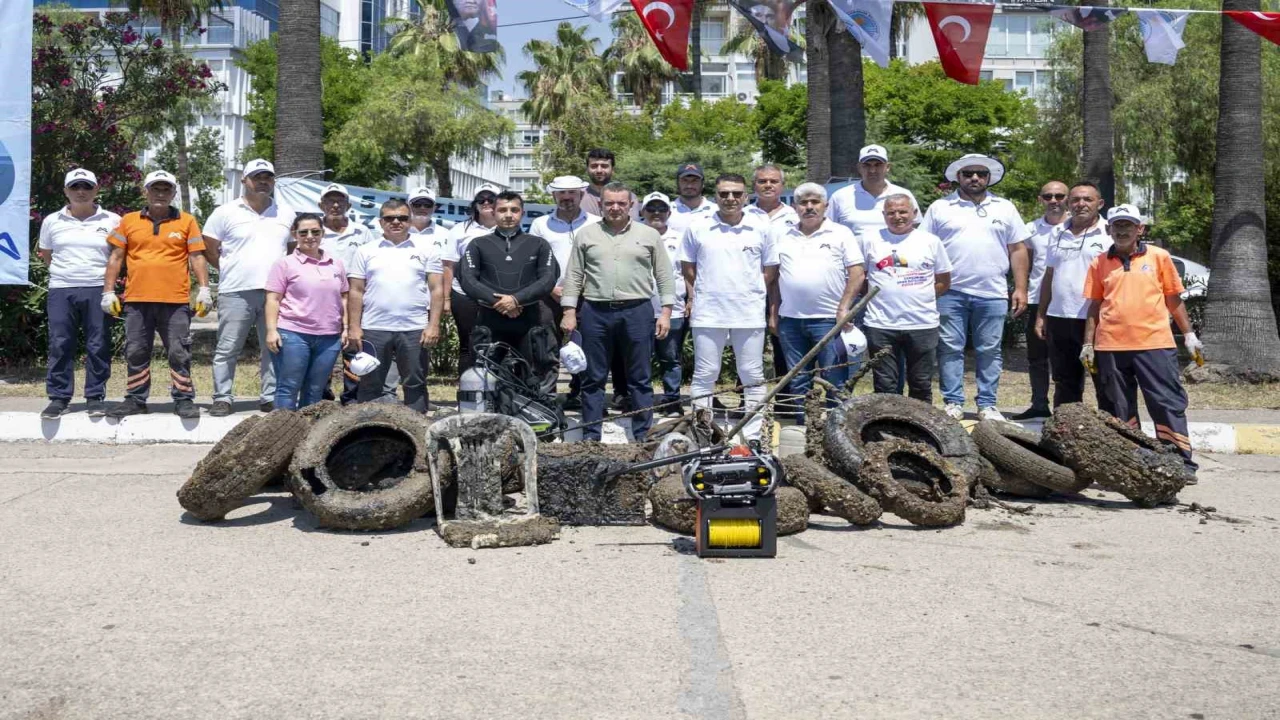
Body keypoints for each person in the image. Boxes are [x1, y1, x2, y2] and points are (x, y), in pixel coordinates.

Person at [1083, 204, 1199, 473]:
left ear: (1140, 229)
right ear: (1108, 229)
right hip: (1110, 346)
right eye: (1117, 225)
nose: (1122, 230)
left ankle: (1179, 462)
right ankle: (1130, 461)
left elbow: (1173, 298)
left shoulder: (1159, 257)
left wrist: (1190, 335)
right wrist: (1088, 344)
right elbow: (1094, 305)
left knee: (1166, 402)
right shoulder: (1098, 262)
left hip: (1155, 344)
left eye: (1128, 225)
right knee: (1118, 407)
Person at [561, 183, 675, 441]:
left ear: (631, 206)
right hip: (595, 311)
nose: (615, 208)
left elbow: (664, 276)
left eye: (621, 203)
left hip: (637, 311)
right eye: (609, 203)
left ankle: (643, 436)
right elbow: (574, 274)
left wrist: (666, 312)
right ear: (601, 204)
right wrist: (569, 311)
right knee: (592, 377)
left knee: (640, 378)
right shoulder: (586, 235)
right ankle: (591, 436)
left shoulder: (648, 235)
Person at [921, 153, 1031, 421]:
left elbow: (1018, 249)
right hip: (949, 292)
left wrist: (1020, 288)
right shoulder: (940, 207)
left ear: (988, 178)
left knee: (990, 350)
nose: (974, 178)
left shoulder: (1005, 207)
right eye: (968, 173)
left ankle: (987, 404)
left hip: (992, 293)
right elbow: (924, 249)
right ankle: (953, 402)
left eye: (980, 174)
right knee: (949, 348)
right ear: (958, 177)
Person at [102, 170, 212, 419]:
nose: (160, 194)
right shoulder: (129, 221)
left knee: (178, 351)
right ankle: (135, 399)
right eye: (155, 189)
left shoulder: (187, 221)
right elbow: (116, 257)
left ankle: (183, 399)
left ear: (173, 193)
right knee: (136, 350)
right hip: (137, 300)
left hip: (175, 301)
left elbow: (197, 256)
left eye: (166, 189)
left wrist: (204, 289)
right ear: (146, 191)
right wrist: (108, 292)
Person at [681, 174, 777, 441]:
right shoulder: (697, 226)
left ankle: (753, 435)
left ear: (746, 196)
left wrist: (748, 290)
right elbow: (688, 268)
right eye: (724, 194)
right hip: (708, 312)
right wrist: (710, 289)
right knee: (705, 373)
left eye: (736, 194)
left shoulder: (761, 227)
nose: (730, 199)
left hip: (748, 313)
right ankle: (702, 431)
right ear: (716, 196)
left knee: (752, 375)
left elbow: (769, 270)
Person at [765, 183, 864, 418]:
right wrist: (773, 313)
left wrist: (844, 308)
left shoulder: (841, 233)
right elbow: (774, 278)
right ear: (794, 207)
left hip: (830, 320)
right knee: (798, 379)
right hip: (791, 321)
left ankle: (837, 429)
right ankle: (803, 428)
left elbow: (857, 273)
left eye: (815, 202)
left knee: (834, 379)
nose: (809, 207)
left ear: (825, 206)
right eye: (803, 203)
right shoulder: (782, 235)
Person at [202, 158, 292, 416]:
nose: (263, 181)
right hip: (236, 291)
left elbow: (292, 250)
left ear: (273, 181)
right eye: (257, 177)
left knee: (273, 346)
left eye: (267, 177)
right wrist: (232, 269)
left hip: (275, 293)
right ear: (244, 180)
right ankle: (223, 397)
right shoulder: (224, 212)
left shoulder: (286, 213)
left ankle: (269, 396)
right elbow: (209, 248)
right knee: (228, 347)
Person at [37, 169, 121, 419]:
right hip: (62, 289)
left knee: (98, 344)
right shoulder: (52, 221)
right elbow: (47, 255)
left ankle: (95, 396)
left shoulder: (113, 220)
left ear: (96, 190)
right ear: (66, 191)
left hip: (98, 288)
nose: (81, 192)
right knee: (60, 343)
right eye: (75, 187)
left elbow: (118, 256)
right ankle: (59, 397)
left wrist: (109, 289)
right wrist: (67, 275)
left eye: (86, 186)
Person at [347, 199, 444, 413]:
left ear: (410, 220)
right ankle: (367, 430)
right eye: (390, 218)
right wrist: (354, 326)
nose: (396, 222)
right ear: (381, 222)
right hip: (374, 327)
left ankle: (417, 431)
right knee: (370, 383)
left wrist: (433, 325)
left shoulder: (427, 249)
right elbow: (355, 291)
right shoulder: (365, 250)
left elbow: (437, 289)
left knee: (415, 382)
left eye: (402, 217)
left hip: (414, 328)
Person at [459, 191, 559, 389]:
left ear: (522, 213)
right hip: (490, 321)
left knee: (536, 378)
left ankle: (537, 417)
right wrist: (500, 302)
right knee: (486, 380)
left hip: (530, 321)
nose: (508, 214)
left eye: (514, 210)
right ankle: (488, 419)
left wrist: (516, 300)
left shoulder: (538, 244)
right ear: (493, 213)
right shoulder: (478, 244)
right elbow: (468, 280)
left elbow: (548, 279)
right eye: (502, 210)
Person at [862, 195, 952, 402]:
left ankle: (920, 430)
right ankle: (887, 429)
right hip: (880, 324)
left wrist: (921, 297)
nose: (897, 217)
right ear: (884, 215)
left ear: (913, 213)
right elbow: (859, 276)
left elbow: (944, 281)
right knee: (885, 384)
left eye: (902, 211)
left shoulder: (930, 241)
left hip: (922, 323)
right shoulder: (869, 240)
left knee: (920, 383)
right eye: (891, 212)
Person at [1035, 181, 1112, 412]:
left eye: (1087, 199)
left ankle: (1112, 433)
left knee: (1105, 380)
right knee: (1065, 381)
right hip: (1059, 316)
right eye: (1076, 199)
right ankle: (1066, 432)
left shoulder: (1110, 233)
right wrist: (1041, 314)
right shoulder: (1057, 232)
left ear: (1100, 204)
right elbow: (1049, 275)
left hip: (1095, 319)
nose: (1081, 204)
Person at [265, 214, 349, 410]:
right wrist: (271, 330)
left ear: (323, 233)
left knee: (315, 389)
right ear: (295, 234)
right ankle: (282, 435)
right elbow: (272, 299)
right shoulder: (284, 264)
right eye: (303, 232)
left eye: (315, 231)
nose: (309, 236)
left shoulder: (336, 263)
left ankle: (307, 435)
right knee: (288, 387)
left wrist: (345, 328)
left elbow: (344, 296)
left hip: (329, 337)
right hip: (293, 333)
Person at [1011, 180, 1068, 420]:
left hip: (1070, 304)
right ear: (1040, 199)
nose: (1053, 200)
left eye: (1059, 196)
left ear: (1067, 198)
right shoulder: (1030, 229)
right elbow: (1026, 263)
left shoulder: (1078, 226)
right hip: (1037, 300)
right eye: (1048, 196)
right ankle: (1039, 404)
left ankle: (1066, 408)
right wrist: (1020, 289)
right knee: (1037, 357)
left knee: (1066, 358)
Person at [318, 182, 378, 405]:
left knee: (353, 347)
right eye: (330, 201)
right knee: (323, 349)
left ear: (349, 204)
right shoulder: (316, 231)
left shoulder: (362, 232)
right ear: (320, 204)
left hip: (354, 298)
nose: (335, 205)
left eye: (340, 200)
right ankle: (322, 397)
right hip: (322, 300)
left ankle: (351, 397)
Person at [441, 184, 500, 374]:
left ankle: (496, 393)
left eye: (490, 199)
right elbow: (449, 265)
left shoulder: (507, 228)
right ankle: (468, 393)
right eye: (481, 199)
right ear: (474, 204)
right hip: (464, 295)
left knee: (498, 343)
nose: (485, 203)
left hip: (498, 295)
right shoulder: (459, 229)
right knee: (468, 342)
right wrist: (447, 298)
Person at [641, 192, 688, 418]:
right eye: (651, 209)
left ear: (669, 212)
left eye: (661, 209)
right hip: (639, 309)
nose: (656, 214)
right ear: (643, 212)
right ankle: (642, 400)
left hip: (673, 309)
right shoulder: (634, 235)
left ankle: (671, 400)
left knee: (670, 359)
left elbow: (689, 273)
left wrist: (692, 300)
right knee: (639, 359)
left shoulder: (681, 238)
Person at [826, 145, 920, 246]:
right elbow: (827, 230)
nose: (872, 170)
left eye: (878, 165)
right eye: (867, 165)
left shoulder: (904, 195)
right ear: (859, 168)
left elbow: (915, 227)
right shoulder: (840, 196)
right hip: (854, 260)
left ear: (887, 167)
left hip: (895, 258)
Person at [578, 148, 640, 220]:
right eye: (594, 166)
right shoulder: (578, 196)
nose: (599, 170)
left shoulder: (629, 197)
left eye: (604, 166)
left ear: (613, 170)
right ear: (587, 169)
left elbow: (632, 227)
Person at [667, 163, 719, 238]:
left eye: (695, 181)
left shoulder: (716, 210)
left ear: (703, 183)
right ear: (677, 183)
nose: (689, 185)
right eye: (685, 180)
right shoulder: (666, 210)